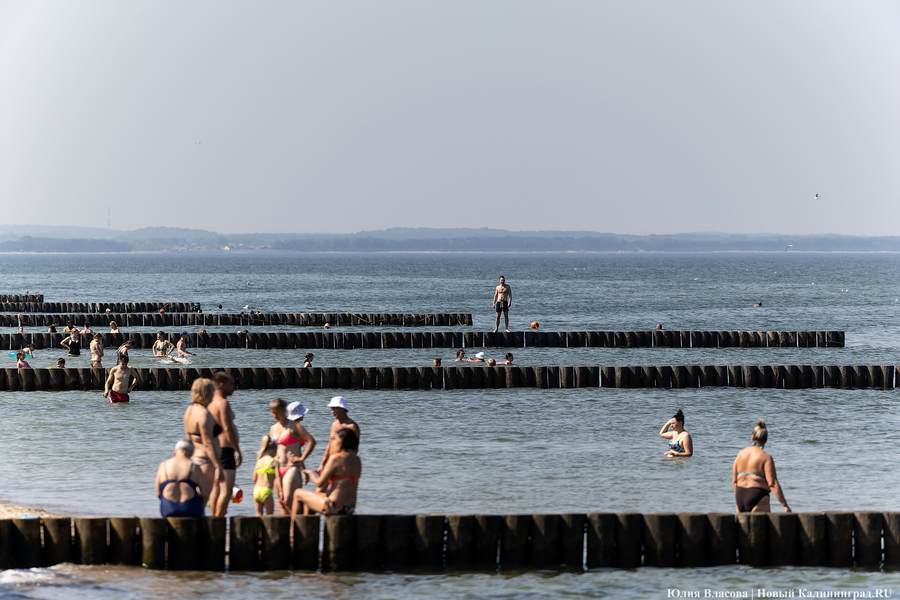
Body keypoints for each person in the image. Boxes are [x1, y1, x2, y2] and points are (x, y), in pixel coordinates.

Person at [292, 429, 360, 517]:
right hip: (349, 508)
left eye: (334, 440)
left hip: (335, 507)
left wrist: (310, 474)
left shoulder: (336, 458)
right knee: (309, 501)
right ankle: (307, 528)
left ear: (342, 440)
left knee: (298, 492)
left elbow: (319, 484)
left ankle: (292, 530)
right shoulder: (357, 459)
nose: (333, 443)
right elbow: (343, 482)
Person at [732, 419, 790, 513]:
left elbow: (734, 481)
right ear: (766, 440)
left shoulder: (740, 454)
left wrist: (740, 495)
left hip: (740, 496)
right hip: (757, 496)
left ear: (752, 437)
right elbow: (772, 483)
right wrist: (784, 505)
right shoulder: (766, 457)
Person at [269, 399, 316, 514]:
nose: (275, 415)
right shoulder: (273, 428)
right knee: (282, 503)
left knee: (289, 500)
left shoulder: (294, 426)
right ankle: (287, 530)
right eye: (272, 412)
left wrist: (302, 460)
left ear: (283, 410)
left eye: (277, 412)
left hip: (291, 468)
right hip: (277, 469)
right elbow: (272, 450)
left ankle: (296, 528)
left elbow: (311, 441)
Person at [183, 378, 224, 504]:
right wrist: (218, 466)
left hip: (193, 459)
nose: (214, 394)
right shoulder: (203, 414)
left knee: (196, 499)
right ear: (206, 393)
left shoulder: (189, 410)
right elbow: (207, 442)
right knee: (204, 498)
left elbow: (188, 438)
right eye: (212, 391)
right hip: (205, 461)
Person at [207, 372, 242, 517]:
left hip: (214, 451)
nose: (234, 387)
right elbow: (227, 428)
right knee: (226, 491)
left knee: (215, 490)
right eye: (231, 384)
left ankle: (214, 522)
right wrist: (237, 450)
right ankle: (219, 520)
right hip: (226, 451)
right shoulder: (223, 403)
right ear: (222, 385)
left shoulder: (210, 403)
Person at [155, 439, 204, 517]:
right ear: (191, 453)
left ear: (174, 451)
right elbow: (204, 493)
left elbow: (158, 493)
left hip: (168, 508)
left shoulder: (163, 465)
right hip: (190, 507)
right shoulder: (195, 467)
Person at [317, 397, 360, 476]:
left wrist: (348, 465)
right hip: (331, 462)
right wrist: (322, 464)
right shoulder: (334, 425)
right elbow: (329, 445)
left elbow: (355, 448)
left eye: (334, 409)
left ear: (342, 409)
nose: (332, 412)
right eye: (332, 409)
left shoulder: (352, 426)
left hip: (344, 464)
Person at [252, 436, 279, 516]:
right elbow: (278, 479)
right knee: (269, 516)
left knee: (258, 514)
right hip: (267, 491)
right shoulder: (274, 462)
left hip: (257, 490)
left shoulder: (259, 461)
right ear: (274, 450)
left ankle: (258, 528)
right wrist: (280, 493)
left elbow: (254, 479)